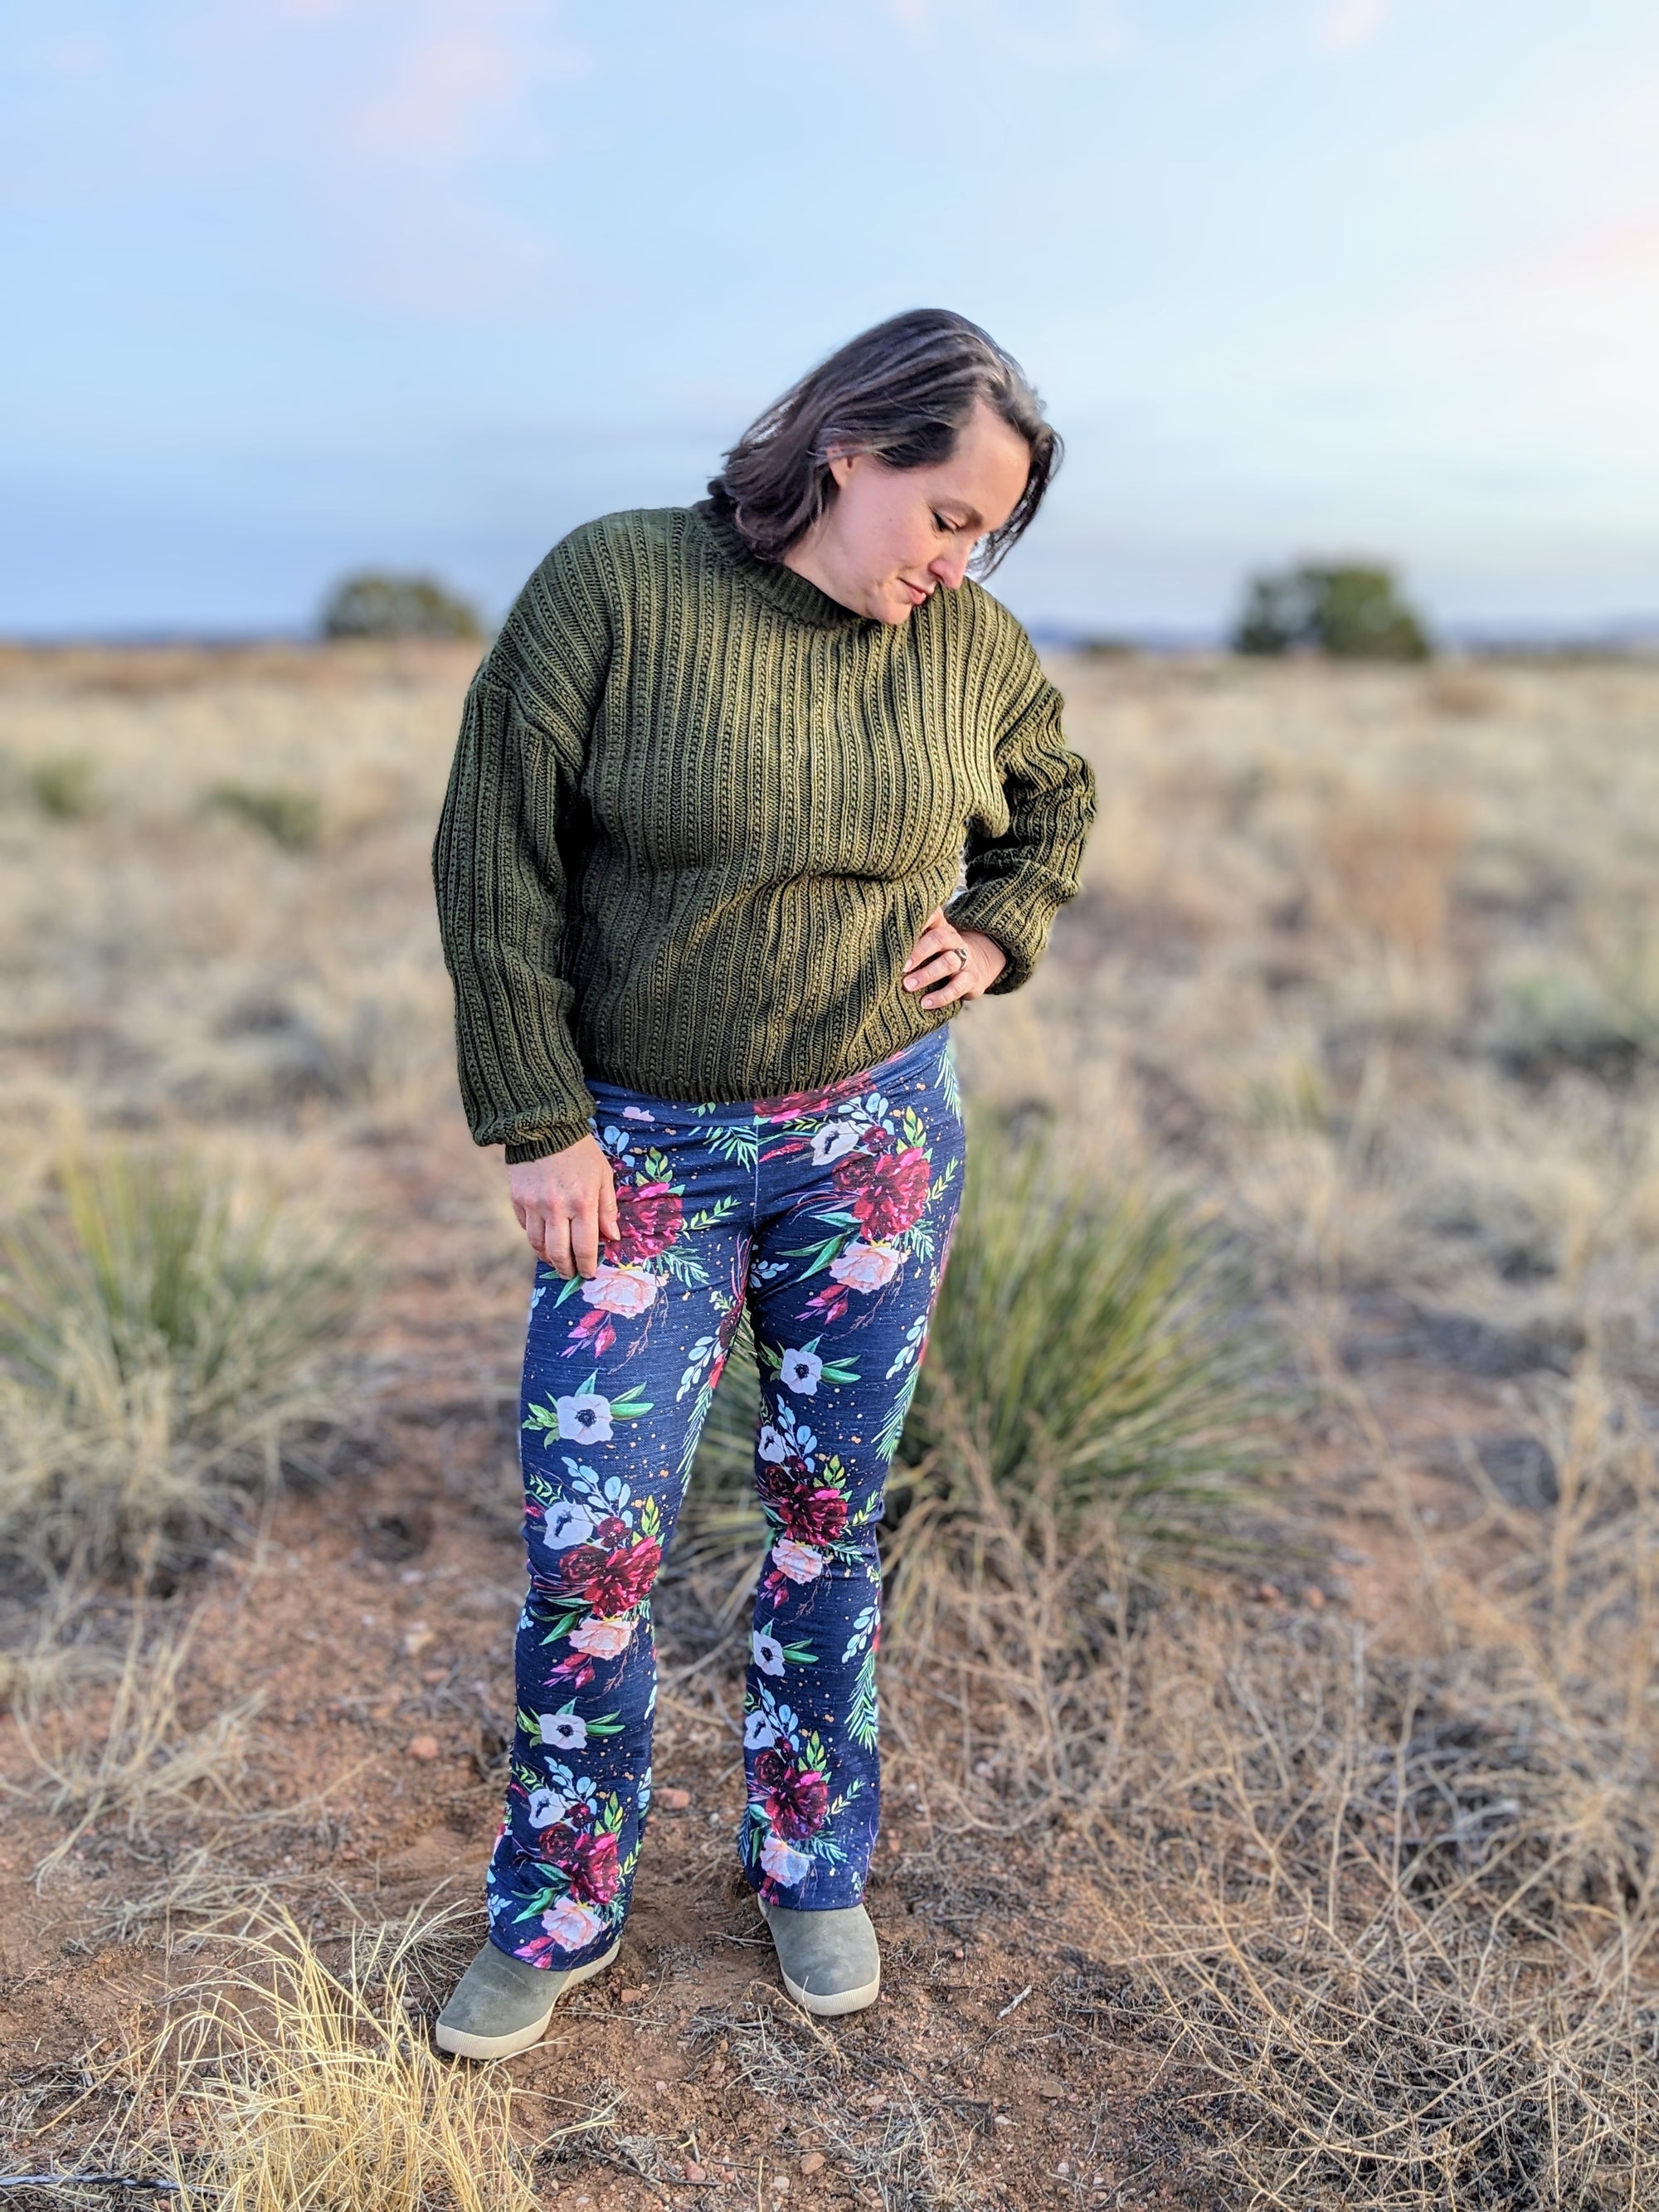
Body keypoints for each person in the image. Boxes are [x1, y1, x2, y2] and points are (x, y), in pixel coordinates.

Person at [431, 309, 1097, 2059]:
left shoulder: (970, 651)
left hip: (872, 1143)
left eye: (989, 535)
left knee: (827, 1517)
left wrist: (998, 930)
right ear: (848, 452)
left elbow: (1055, 802)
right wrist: (537, 1119)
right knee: (595, 1546)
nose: (960, 563)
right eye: (947, 515)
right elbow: (492, 853)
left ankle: (808, 1859)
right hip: (636, 1154)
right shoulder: (619, 586)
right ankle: (559, 1896)